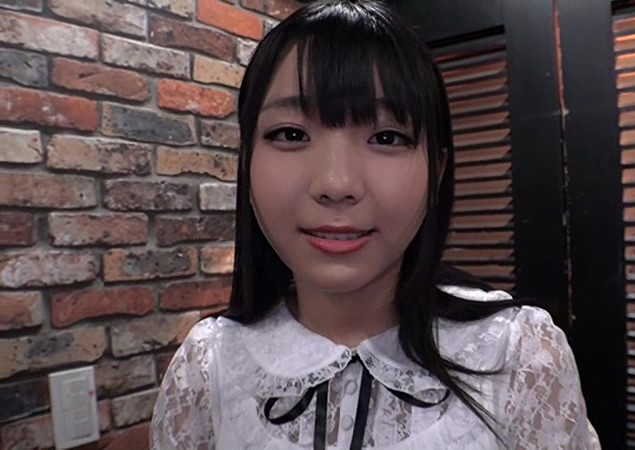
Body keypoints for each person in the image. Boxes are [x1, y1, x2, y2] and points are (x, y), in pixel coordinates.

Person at [150, 1, 600, 448]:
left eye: (386, 137)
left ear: (437, 171)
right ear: (247, 162)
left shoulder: (518, 356)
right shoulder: (206, 369)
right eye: (291, 134)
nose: (336, 184)